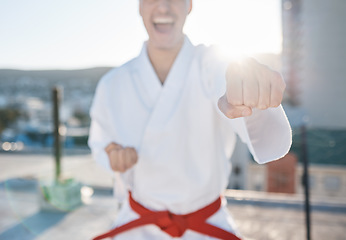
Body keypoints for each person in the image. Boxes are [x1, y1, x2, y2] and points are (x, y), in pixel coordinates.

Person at [88, 0, 292, 239]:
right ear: (140, 6)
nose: (163, 7)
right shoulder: (113, 83)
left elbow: (224, 73)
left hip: (207, 226)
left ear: (189, 5)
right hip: (136, 226)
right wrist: (114, 157)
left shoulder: (210, 63)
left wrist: (246, 92)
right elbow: (100, 144)